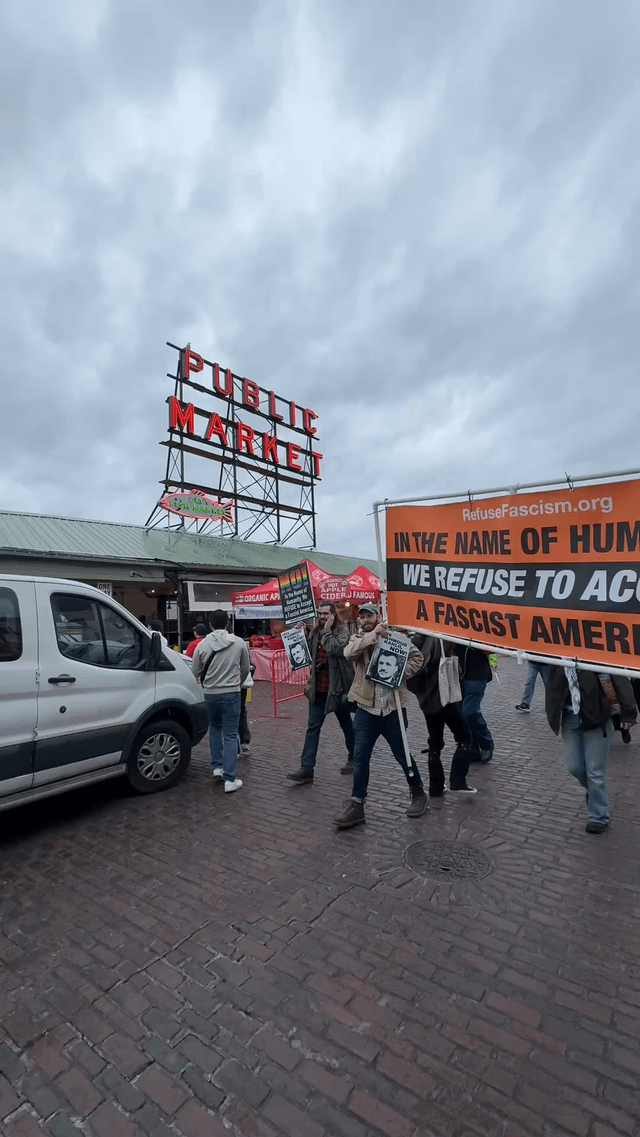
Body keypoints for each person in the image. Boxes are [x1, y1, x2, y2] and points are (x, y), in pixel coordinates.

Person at [333, 604, 427, 828]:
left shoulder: (397, 638)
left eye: (370, 616)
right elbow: (348, 653)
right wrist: (374, 635)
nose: (366, 620)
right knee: (360, 757)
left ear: (378, 616)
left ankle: (418, 793)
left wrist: (400, 672)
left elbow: (418, 658)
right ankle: (357, 804)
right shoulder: (358, 639)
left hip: (393, 709)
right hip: (366, 710)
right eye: (363, 617)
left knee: (402, 755)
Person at [544, 665, 636, 833]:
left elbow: (620, 679)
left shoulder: (594, 653)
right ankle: (594, 793)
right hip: (570, 717)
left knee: (595, 771)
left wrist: (628, 713)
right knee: (574, 766)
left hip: (597, 716)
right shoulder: (556, 656)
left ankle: (598, 816)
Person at [287, 603, 356, 784]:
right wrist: (300, 635)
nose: (322, 616)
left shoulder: (343, 631)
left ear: (333, 614)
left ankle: (355, 758)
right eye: (320, 613)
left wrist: (326, 631)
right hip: (318, 688)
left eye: (326, 613)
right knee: (313, 728)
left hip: (337, 689)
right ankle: (306, 768)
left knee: (346, 725)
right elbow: (308, 653)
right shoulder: (316, 632)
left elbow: (337, 649)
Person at [408, 634, 475, 795]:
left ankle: (435, 787)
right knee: (464, 737)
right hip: (443, 695)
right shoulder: (439, 637)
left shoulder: (417, 638)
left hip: (427, 699)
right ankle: (458, 781)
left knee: (435, 742)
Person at [192, 609, 250, 793]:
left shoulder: (202, 645)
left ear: (210, 625)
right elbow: (245, 668)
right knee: (231, 734)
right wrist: (236, 682)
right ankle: (230, 778)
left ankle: (217, 767)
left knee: (215, 729)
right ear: (227, 624)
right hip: (232, 692)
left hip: (210, 693)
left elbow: (195, 671)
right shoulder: (239, 643)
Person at [455, 644, 494, 764]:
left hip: (476, 673)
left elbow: (492, 647)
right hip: (458, 674)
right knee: (461, 714)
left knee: (469, 712)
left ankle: (486, 743)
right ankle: (473, 748)